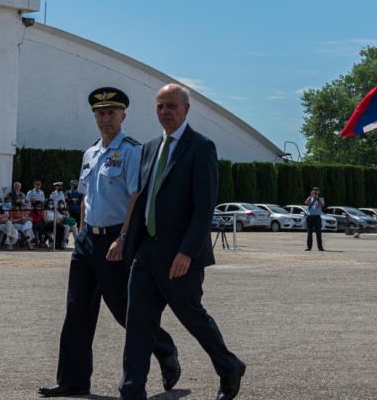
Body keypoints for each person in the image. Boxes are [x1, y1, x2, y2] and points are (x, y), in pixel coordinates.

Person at [39, 86, 180, 399]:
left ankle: (165, 348)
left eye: (111, 113)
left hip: (117, 239)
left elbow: (135, 196)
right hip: (89, 239)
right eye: (100, 113)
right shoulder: (90, 153)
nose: (105, 118)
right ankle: (73, 381)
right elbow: (87, 195)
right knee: (77, 309)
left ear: (123, 116)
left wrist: (123, 237)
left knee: (123, 310)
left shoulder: (131, 151)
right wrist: (82, 232)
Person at [116, 83, 245, 400]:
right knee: (138, 323)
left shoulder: (201, 147)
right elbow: (142, 196)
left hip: (179, 254)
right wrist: (124, 238)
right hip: (146, 250)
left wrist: (188, 251)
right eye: (160, 106)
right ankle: (131, 391)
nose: (164, 112)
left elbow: (204, 206)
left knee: (192, 316)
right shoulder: (149, 148)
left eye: (171, 106)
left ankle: (229, 367)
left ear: (186, 109)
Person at [304, 187, 325, 251]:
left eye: (317, 191)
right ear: (312, 191)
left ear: (319, 192)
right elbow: (306, 202)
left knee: (318, 233)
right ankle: (309, 247)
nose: (315, 192)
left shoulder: (321, 199)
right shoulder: (310, 199)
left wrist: (317, 198)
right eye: (314, 191)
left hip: (317, 217)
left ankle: (320, 247)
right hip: (310, 217)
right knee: (309, 233)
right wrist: (311, 196)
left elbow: (321, 205)